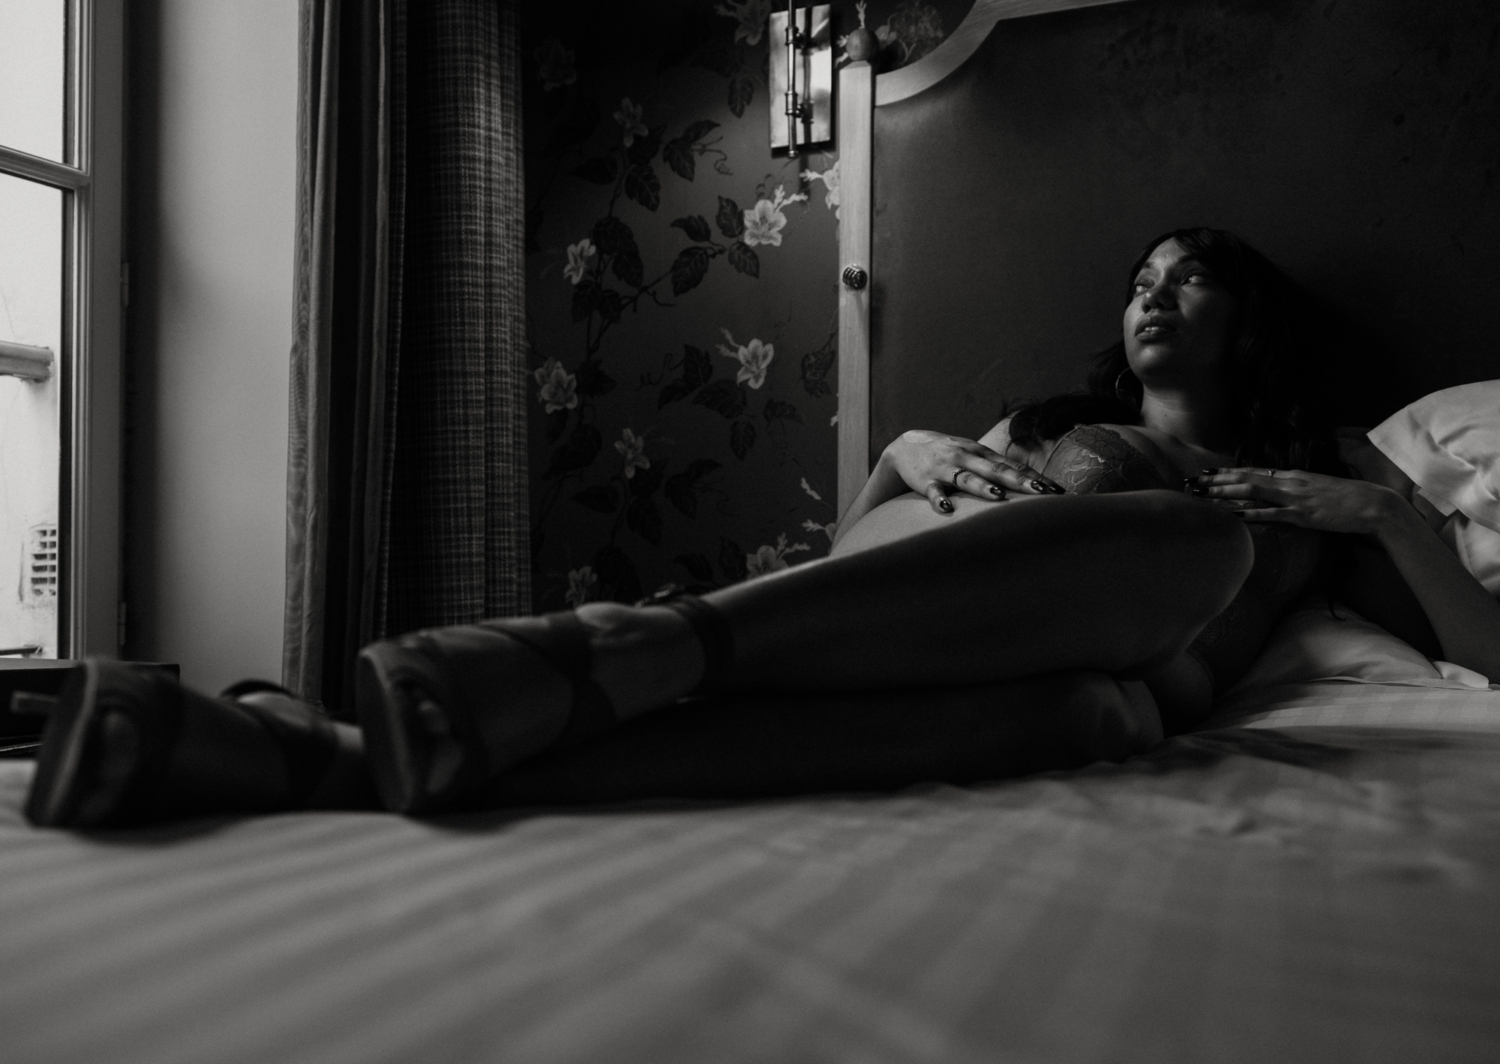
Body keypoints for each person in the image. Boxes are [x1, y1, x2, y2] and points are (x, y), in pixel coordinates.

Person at [27, 228, 1500, 827]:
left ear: (1255, 319)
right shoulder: (1049, 422)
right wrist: (910, 450)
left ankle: (325, 756)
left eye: (1189, 278)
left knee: (1111, 679)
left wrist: (1379, 510)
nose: (1152, 296)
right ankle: (625, 649)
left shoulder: (1325, 467)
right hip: (903, 613)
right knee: (1089, 690)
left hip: (1126, 674)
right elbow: (866, 532)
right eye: (1140, 281)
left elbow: (1484, 657)